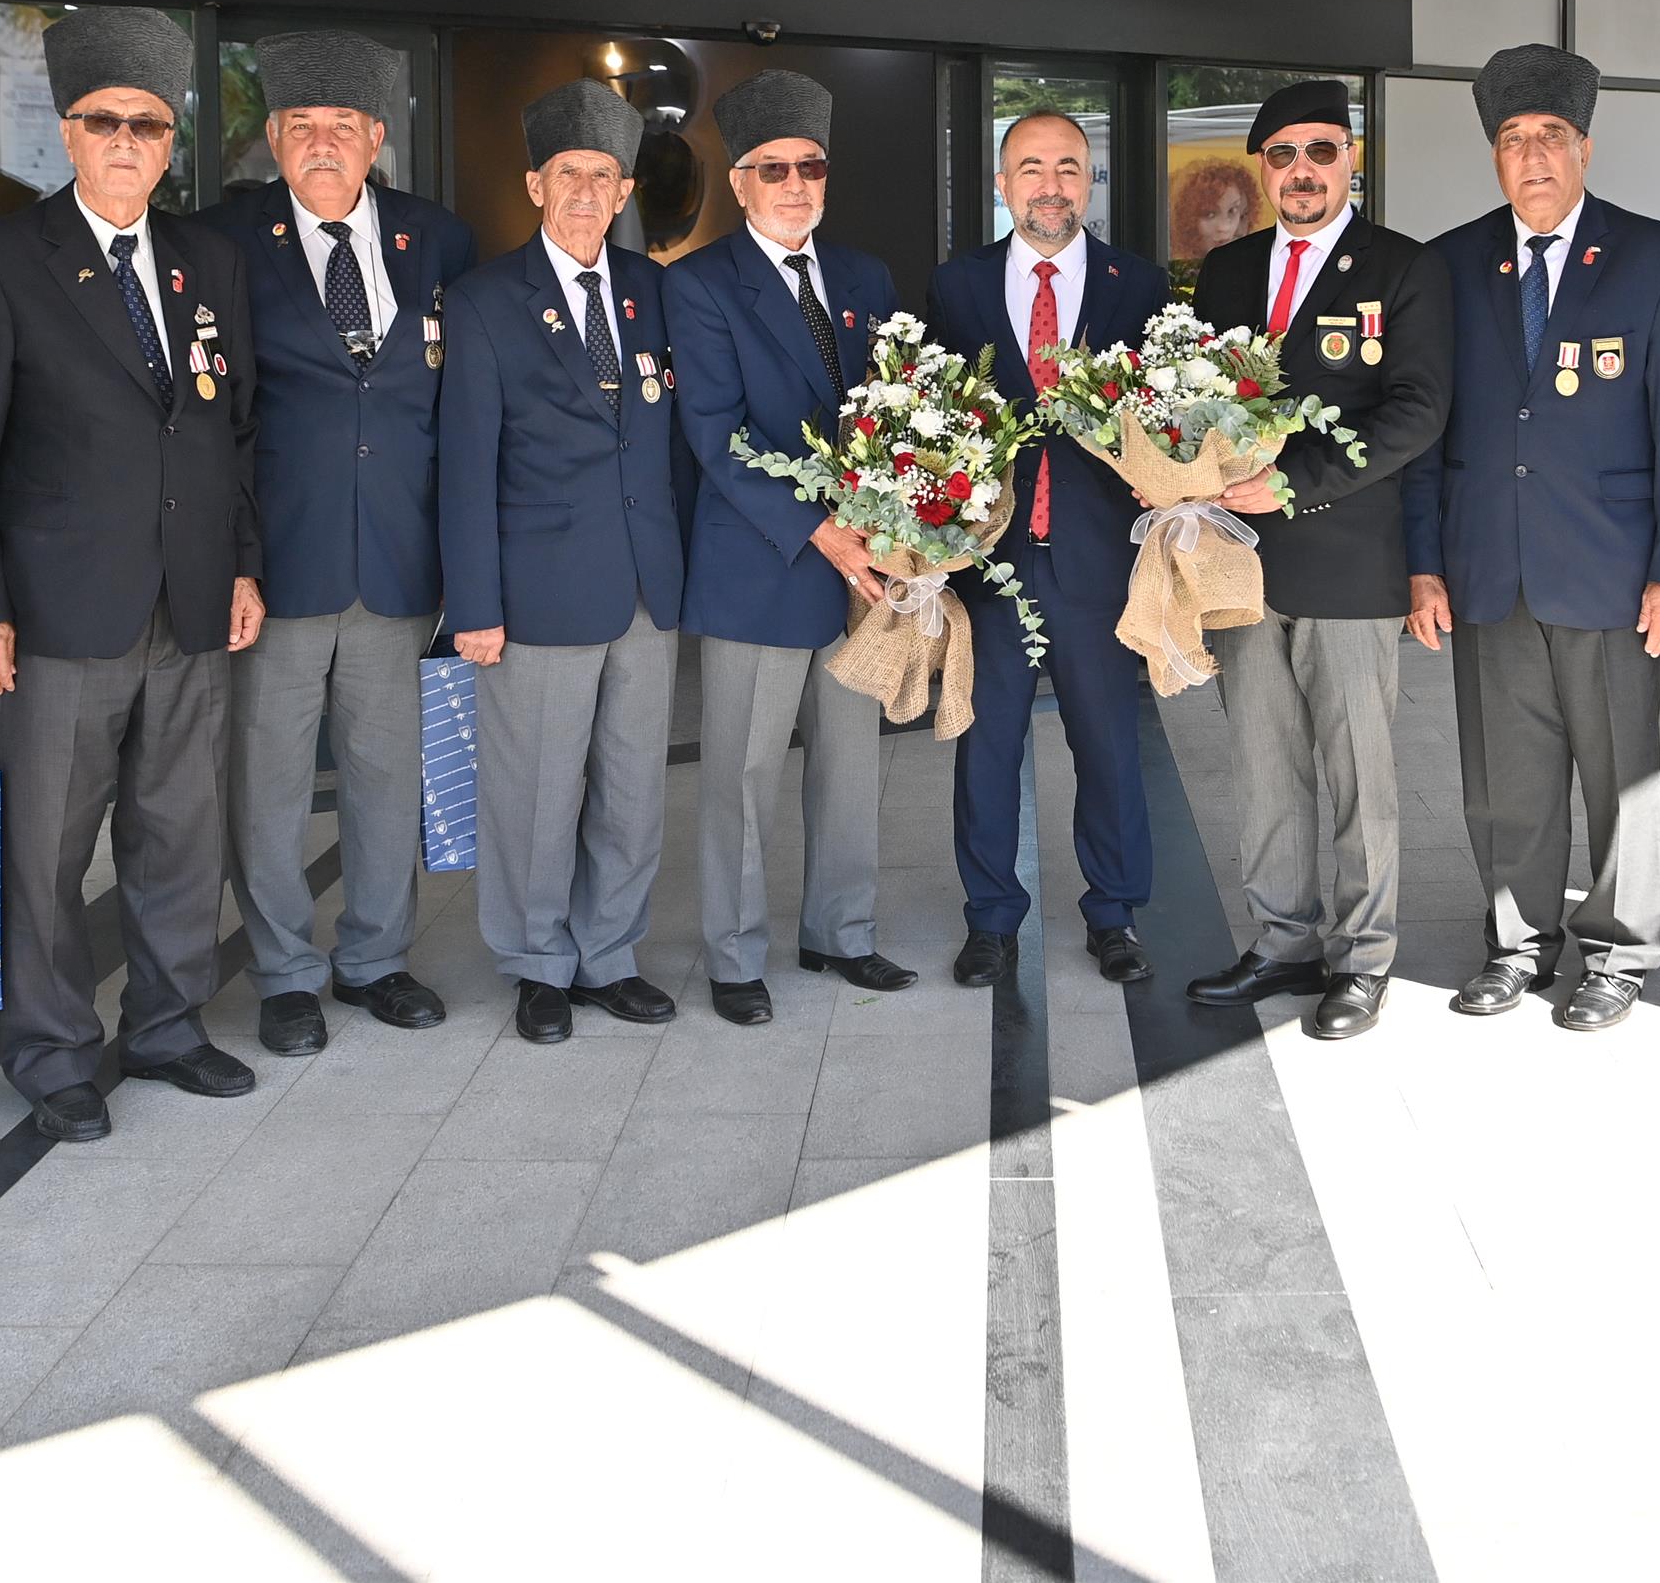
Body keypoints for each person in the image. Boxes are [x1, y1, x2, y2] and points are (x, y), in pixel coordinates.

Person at [0, 6, 266, 1143]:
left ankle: (169, 1026)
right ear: (67, 134)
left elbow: (237, 433)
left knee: (180, 834)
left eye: (148, 124)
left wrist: (242, 564)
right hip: (55, 615)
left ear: (171, 142)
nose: (127, 140)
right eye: (103, 120)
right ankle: (51, 1048)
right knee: (47, 849)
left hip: (189, 599)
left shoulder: (208, 258)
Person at [1403, 46, 1660, 1032]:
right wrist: (1422, 561)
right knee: (1504, 777)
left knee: (1620, 768)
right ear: (1492, 155)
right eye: (1510, 139)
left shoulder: (1659, 258)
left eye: (1548, 136)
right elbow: (1425, 429)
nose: (1530, 155)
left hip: (1616, 573)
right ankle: (1516, 941)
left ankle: (1620, 948)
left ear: (1583, 144)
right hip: (1488, 565)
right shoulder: (1448, 263)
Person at [205, 32, 476, 1059]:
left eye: (343, 128)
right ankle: (283, 974)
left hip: (399, 564)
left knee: (382, 773)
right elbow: (212, 422)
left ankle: (374, 957)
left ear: (376, 138)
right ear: (273, 138)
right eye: (301, 128)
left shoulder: (436, 238)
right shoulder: (223, 239)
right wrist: (232, 555)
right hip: (277, 565)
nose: (323, 144)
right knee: (268, 783)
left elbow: (462, 406)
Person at [1182, 84, 1451, 1040]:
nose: (1304, 169)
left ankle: (1364, 958)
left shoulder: (1407, 269)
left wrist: (1295, 482)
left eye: (1323, 151)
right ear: (1264, 167)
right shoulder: (1224, 270)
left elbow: (1417, 411)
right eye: (1285, 153)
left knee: (1356, 769)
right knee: (1262, 764)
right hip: (1241, 567)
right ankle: (1283, 940)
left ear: (1352, 161)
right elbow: (1194, 399)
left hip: (1347, 559)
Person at [439, 79, 688, 1046]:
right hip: (535, 589)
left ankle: (610, 952)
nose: (587, 193)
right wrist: (475, 603)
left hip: (644, 584)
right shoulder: (486, 300)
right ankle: (538, 961)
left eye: (604, 177)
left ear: (625, 191)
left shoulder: (654, 291)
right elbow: (464, 465)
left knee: (632, 788)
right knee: (535, 791)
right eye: (568, 175)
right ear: (534, 183)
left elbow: (670, 443)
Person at [670, 69, 919, 1025]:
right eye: (771, 168)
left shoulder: (865, 277)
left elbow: (899, 416)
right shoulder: (696, 285)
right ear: (738, 183)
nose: (793, 182)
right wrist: (823, 525)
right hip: (762, 564)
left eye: (809, 165)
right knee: (740, 772)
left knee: (852, 765)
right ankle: (735, 957)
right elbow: (716, 432)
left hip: (862, 574)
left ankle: (840, 933)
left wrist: (906, 519)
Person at [926, 110, 1163, 989]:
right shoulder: (958, 286)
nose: (1051, 185)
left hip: (1099, 561)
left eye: (1069, 166)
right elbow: (937, 415)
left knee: (1107, 744)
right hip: (993, 563)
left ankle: (1115, 912)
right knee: (986, 746)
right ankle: (990, 917)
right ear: (1001, 183)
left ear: (1090, 179)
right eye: (1031, 167)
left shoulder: (1135, 284)